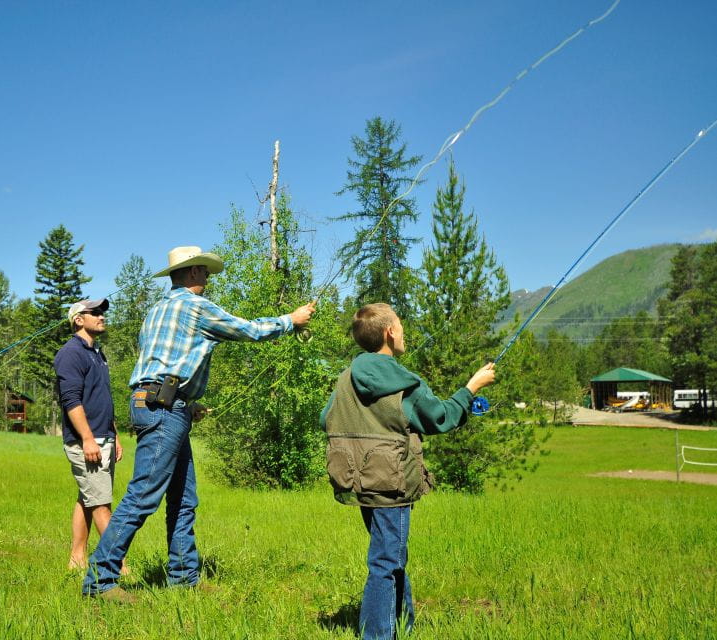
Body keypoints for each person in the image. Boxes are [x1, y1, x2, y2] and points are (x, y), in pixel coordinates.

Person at [82, 245, 316, 601]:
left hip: (160, 404)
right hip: (163, 407)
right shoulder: (195, 306)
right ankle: (99, 580)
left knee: (183, 497)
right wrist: (291, 321)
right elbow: (247, 330)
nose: (208, 277)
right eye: (205, 272)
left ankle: (184, 577)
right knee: (143, 495)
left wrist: (184, 401)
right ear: (191, 273)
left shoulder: (157, 309)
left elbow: (162, 362)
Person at [320, 303, 495, 640]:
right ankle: (378, 635)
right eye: (400, 326)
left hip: (358, 478)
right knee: (386, 561)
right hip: (391, 482)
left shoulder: (345, 378)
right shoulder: (405, 382)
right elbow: (440, 417)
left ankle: (402, 624)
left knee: (389, 554)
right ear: (389, 333)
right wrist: (472, 387)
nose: (403, 332)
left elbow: (324, 418)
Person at [54, 298, 125, 571]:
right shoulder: (70, 353)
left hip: (102, 436)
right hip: (88, 440)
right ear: (78, 320)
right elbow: (71, 400)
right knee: (101, 505)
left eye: (102, 312)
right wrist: (87, 438)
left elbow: (101, 399)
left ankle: (77, 559)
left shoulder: (97, 353)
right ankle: (119, 565)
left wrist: (113, 434)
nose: (101, 316)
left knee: (88, 498)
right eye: (94, 313)